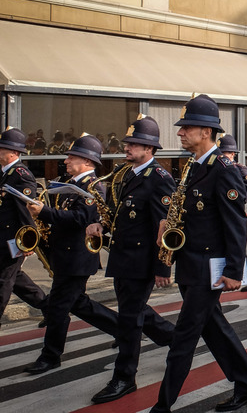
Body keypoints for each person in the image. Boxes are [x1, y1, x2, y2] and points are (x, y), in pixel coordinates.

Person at [151, 94, 247, 412]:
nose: (180, 132)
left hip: (208, 268)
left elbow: (235, 226)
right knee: (214, 328)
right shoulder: (192, 167)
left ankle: (162, 406)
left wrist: (232, 271)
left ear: (206, 132)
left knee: (184, 338)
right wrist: (166, 222)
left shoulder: (223, 170)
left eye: (187, 127)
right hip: (190, 264)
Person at [86, 115, 176, 404]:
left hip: (141, 261)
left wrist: (163, 266)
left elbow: (166, 227)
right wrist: (102, 223)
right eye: (127, 143)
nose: (126, 147)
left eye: (134, 143)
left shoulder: (159, 179)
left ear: (149, 149)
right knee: (134, 311)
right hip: (123, 258)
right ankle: (173, 338)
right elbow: (118, 212)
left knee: (129, 319)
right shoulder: (127, 174)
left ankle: (124, 377)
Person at [24, 134, 125, 374]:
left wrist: (44, 213)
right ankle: (124, 329)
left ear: (88, 162)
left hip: (77, 258)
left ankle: (50, 356)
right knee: (79, 304)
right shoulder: (71, 185)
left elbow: (81, 219)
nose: (66, 160)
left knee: (58, 307)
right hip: (65, 256)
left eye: (72, 157)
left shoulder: (93, 187)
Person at [0, 127, 47, 324]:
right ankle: (49, 308)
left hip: (14, 239)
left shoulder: (21, 175)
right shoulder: (4, 173)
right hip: (3, 237)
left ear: (14, 153)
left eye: (2, 148)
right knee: (16, 279)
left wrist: (28, 241)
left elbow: (27, 211)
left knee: (3, 281)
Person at [218, 134, 247, 292]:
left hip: (236, 213)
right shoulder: (218, 169)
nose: (223, 156)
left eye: (226, 153)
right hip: (222, 214)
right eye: (220, 152)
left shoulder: (239, 168)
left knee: (235, 247)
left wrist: (239, 201)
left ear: (232, 154)